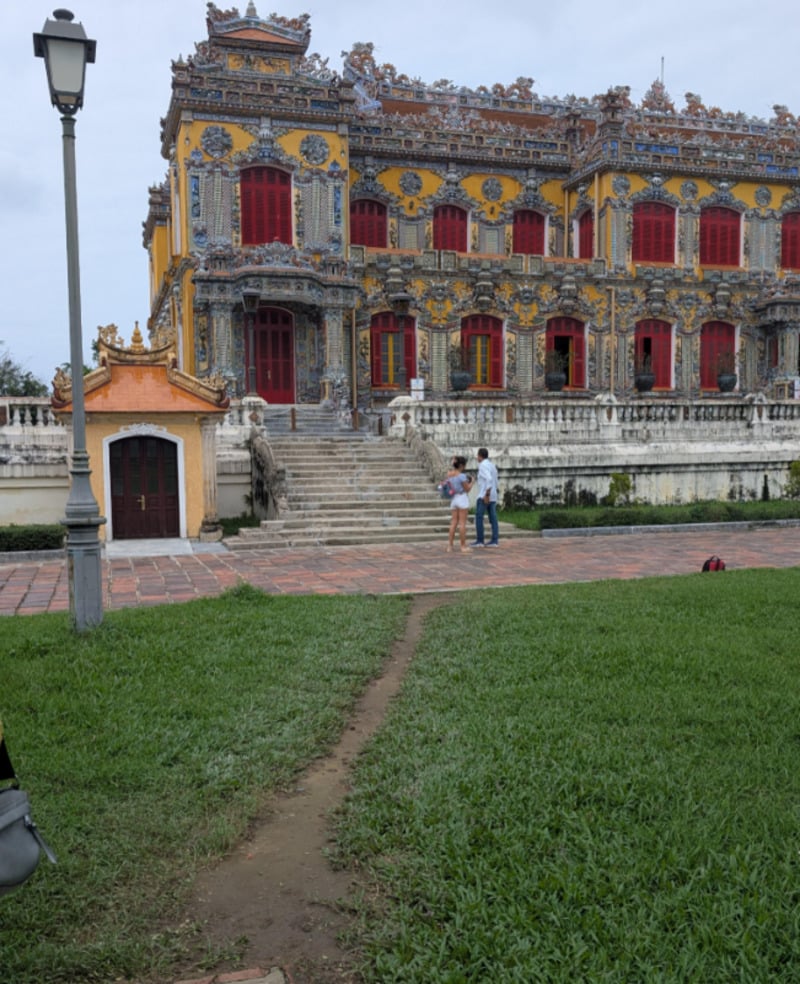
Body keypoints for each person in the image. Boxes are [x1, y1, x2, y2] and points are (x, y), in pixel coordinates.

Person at [471, 447, 499, 547]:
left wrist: (486, 495)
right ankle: (495, 540)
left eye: (477, 455)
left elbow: (489, 479)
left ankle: (480, 540)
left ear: (480, 456)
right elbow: (495, 480)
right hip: (493, 494)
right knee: (493, 518)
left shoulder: (482, 465)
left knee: (479, 517)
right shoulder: (492, 465)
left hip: (484, 495)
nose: (477, 458)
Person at [445, 455, 473, 552]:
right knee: (462, 524)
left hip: (454, 498)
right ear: (461, 466)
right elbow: (467, 489)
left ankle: (450, 546)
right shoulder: (462, 476)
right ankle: (463, 546)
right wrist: (472, 482)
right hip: (462, 497)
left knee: (453, 523)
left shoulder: (450, 475)